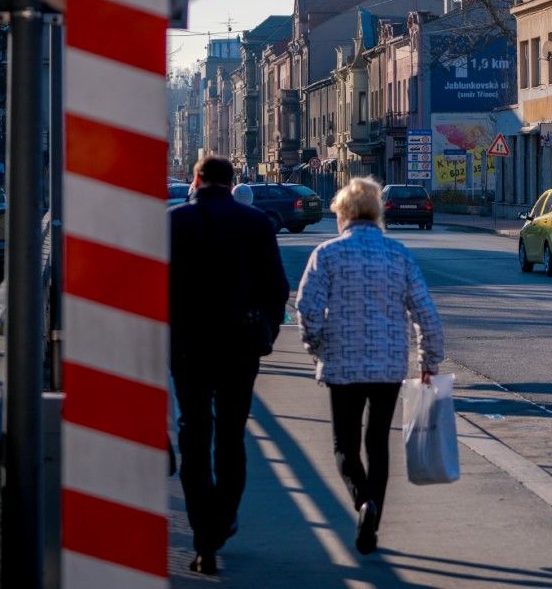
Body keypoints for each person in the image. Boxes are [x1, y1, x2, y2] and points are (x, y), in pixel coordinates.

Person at [297, 177, 444, 556]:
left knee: (344, 445)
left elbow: (308, 309)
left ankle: (362, 502)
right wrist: (428, 361)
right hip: (388, 365)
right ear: (377, 213)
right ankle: (373, 517)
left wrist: (317, 348)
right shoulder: (398, 254)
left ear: (343, 214)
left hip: (342, 364)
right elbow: (425, 313)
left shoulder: (326, 254)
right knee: (377, 443)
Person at [170, 155, 290, 576]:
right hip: (240, 346)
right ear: (232, 180)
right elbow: (277, 289)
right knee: (232, 433)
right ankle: (224, 516)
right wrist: (267, 336)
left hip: (188, 347)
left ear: (197, 179)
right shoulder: (256, 223)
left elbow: (154, 288)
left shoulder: (174, 222)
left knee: (194, 435)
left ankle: (204, 539)